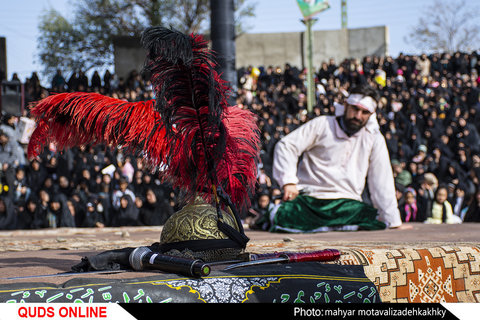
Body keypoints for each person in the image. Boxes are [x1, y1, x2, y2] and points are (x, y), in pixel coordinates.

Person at [270, 84, 402, 233]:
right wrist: (288, 182)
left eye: (364, 112)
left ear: (371, 115)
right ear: (346, 105)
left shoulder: (374, 138)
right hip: (310, 199)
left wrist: (393, 221)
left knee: (368, 217)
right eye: (355, 109)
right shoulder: (323, 124)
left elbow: (381, 180)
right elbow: (287, 145)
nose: (358, 116)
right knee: (285, 216)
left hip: (348, 203)